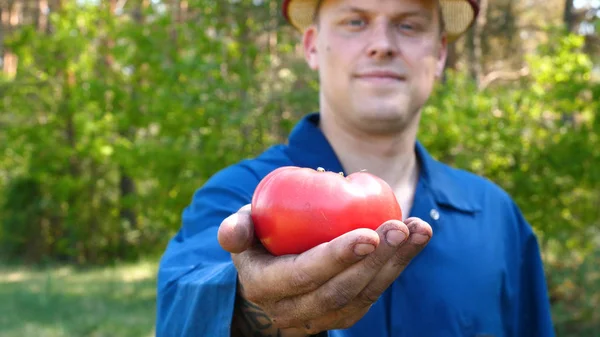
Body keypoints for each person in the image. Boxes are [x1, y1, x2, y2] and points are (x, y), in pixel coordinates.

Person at [155, 0, 556, 336]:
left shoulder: (497, 216)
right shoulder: (239, 194)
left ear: (440, 54)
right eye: (355, 21)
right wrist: (246, 301)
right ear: (312, 46)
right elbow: (182, 299)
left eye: (409, 25)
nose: (382, 44)